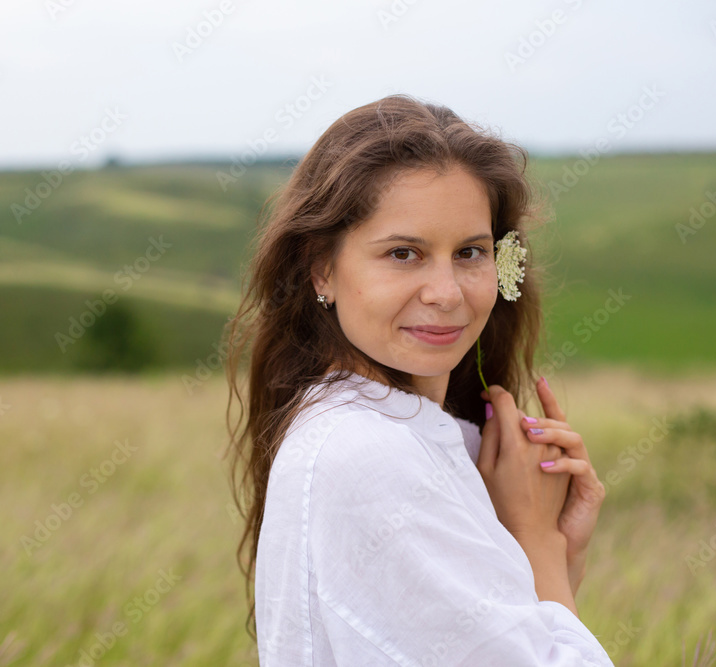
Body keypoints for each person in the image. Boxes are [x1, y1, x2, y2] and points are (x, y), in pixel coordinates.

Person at [224, 93, 612, 665]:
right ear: (321, 269)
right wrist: (538, 545)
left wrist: (555, 555)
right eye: (404, 253)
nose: (447, 293)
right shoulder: (365, 453)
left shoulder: (407, 434)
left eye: (470, 253)